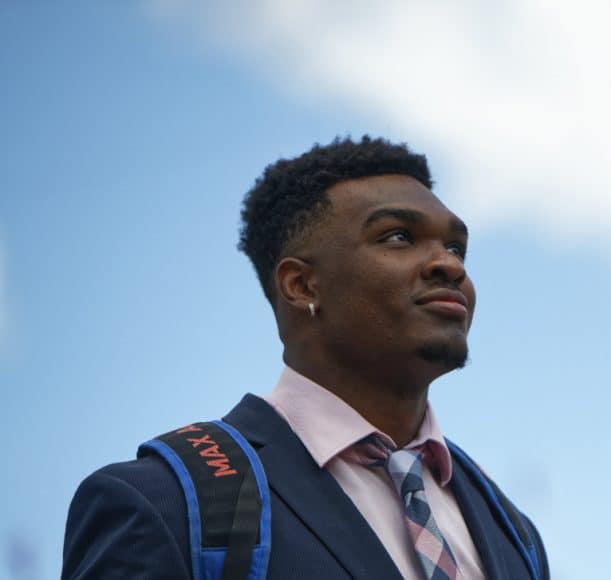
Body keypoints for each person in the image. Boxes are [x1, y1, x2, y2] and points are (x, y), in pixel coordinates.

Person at [62, 136, 549, 579]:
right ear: (301, 285)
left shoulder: (512, 532)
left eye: (455, 246)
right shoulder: (164, 502)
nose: (449, 264)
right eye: (398, 237)